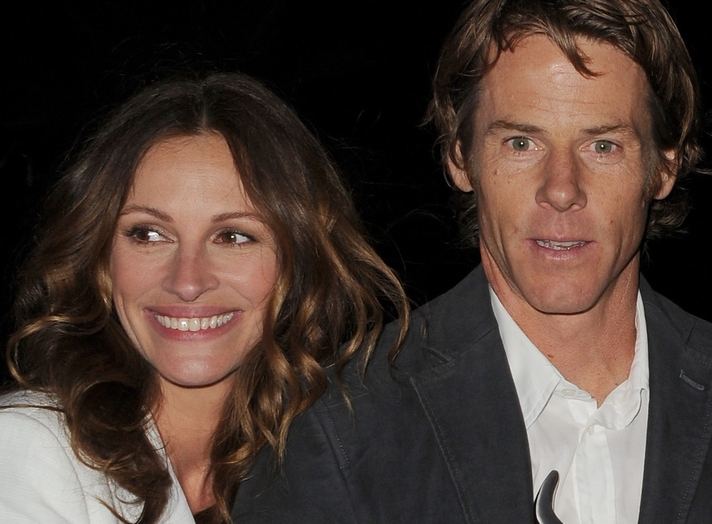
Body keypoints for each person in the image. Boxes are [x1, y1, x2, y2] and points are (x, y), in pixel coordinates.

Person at [232, 0, 712, 523]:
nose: (561, 189)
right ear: (460, 157)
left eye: (602, 145)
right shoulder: (337, 433)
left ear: (664, 166)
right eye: (521, 143)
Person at [0, 71, 408, 523]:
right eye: (149, 234)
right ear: (100, 259)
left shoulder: (344, 459)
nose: (187, 281)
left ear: (297, 264)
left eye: (233, 236)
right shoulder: (30, 451)